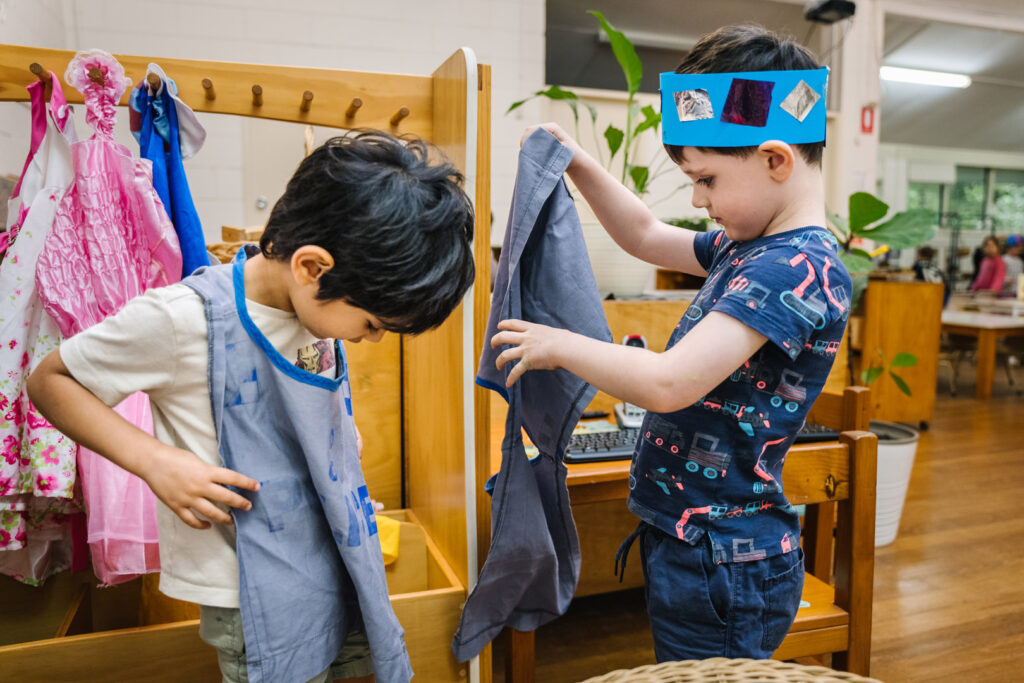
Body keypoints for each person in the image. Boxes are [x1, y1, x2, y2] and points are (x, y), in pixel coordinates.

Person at [27, 130, 475, 682]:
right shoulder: (181, 319)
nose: (373, 339)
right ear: (312, 267)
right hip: (248, 590)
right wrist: (156, 463)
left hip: (328, 557)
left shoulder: (312, 309)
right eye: (373, 325)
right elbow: (52, 382)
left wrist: (339, 437)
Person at [491, 25, 851, 662]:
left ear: (775, 160)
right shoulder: (754, 247)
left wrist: (560, 344)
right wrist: (578, 159)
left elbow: (669, 380)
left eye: (706, 179)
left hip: (723, 558)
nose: (697, 199)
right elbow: (646, 235)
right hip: (697, 542)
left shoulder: (792, 269)